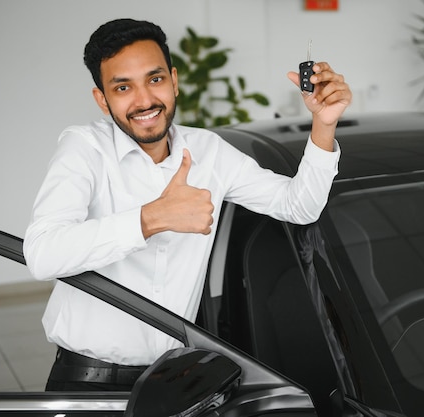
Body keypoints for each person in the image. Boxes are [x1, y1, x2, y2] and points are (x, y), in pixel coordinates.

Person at [23, 18, 351, 392]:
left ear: (174, 80)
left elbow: (299, 206)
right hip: (88, 383)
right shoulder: (84, 148)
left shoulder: (208, 151)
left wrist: (323, 126)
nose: (144, 100)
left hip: (173, 381)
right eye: (123, 87)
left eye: (155, 79)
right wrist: (150, 219)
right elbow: (42, 254)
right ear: (102, 99)